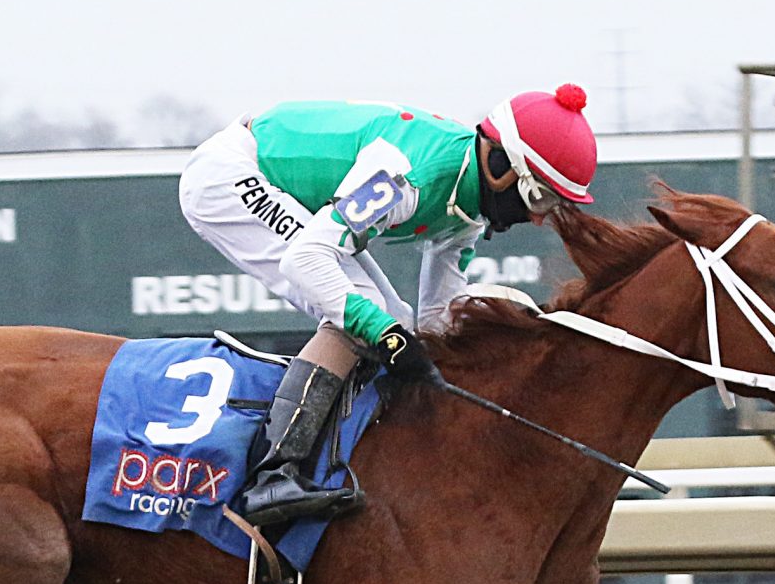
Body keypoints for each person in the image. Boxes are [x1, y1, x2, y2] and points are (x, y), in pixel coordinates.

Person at [177, 87, 598, 525]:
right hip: (229, 176)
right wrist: (385, 335)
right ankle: (273, 474)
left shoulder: (468, 211)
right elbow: (305, 260)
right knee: (369, 312)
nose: (538, 219)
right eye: (539, 198)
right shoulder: (404, 177)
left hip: (278, 181)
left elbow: (436, 320)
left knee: (394, 319)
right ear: (501, 169)